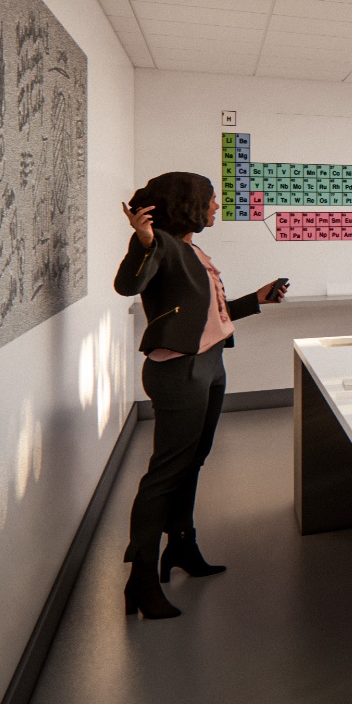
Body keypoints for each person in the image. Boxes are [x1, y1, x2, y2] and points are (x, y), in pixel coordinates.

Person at [114, 172, 287, 619]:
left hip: (209, 365)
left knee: (193, 460)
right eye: (211, 201)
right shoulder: (162, 246)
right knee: (165, 473)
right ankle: (141, 578)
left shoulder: (191, 251)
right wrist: (142, 239)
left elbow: (207, 313)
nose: (215, 208)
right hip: (180, 372)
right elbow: (127, 286)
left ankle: (182, 546)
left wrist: (257, 299)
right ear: (189, 203)